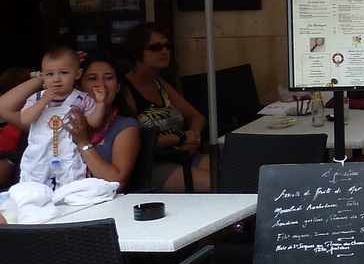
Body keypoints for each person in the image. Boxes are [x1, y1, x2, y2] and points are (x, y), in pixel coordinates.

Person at [120, 23, 211, 192]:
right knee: (215, 184)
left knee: (234, 173)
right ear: (135, 51)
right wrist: (180, 137)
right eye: (155, 47)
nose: (164, 52)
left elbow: (197, 117)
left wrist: (194, 137)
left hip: (182, 154)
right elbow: (135, 142)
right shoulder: (125, 89)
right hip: (151, 163)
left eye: (167, 46)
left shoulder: (159, 83)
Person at [0, 47, 105, 188]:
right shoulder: (36, 98)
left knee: (72, 187)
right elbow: (26, 119)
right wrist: (43, 101)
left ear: (77, 74)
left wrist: (100, 103)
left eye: (63, 73)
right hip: (39, 156)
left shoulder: (81, 98)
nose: (57, 79)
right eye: (50, 74)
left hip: (68, 154)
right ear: (42, 77)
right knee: (33, 188)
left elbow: (94, 122)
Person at [63, 54, 141, 191]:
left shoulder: (125, 126)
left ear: (117, 87)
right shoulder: (63, 119)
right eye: (92, 78)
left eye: (109, 78)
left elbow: (117, 183)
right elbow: (11, 111)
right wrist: (59, 70)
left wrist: (83, 143)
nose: (101, 85)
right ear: (78, 86)